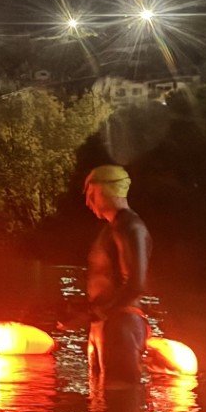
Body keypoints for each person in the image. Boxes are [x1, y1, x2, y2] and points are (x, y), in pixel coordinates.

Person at [84, 164, 152, 384]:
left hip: (121, 325)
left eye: (91, 194)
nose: (88, 202)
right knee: (100, 404)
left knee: (120, 402)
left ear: (106, 190)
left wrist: (98, 313)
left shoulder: (130, 226)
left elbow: (135, 285)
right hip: (107, 323)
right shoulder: (114, 228)